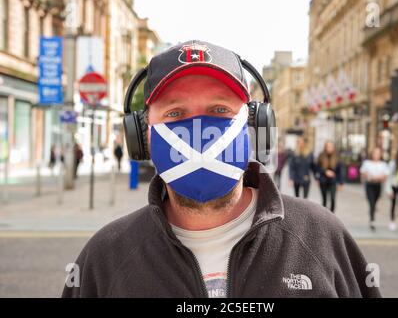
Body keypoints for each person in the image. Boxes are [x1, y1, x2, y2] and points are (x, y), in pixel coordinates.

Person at [62, 40, 380, 298]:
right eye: (175, 113)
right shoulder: (105, 258)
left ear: (256, 127)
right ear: (142, 136)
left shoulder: (322, 238)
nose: (199, 129)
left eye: (219, 109)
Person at [360, 147, 389, 231]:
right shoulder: (367, 163)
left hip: (378, 185)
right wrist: (370, 177)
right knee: (371, 202)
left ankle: (372, 212)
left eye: (378, 153)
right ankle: (372, 220)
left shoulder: (383, 164)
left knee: (375, 201)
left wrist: (378, 178)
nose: (376, 155)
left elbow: (385, 176)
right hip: (369, 185)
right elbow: (363, 173)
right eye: (375, 153)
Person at [314, 141, 344, 213]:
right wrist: (325, 172)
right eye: (327, 146)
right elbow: (317, 168)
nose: (329, 148)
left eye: (330, 147)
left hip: (333, 181)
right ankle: (325, 215)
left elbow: (340, 171)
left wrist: (341, 183)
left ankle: (332, 214)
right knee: (324, 199)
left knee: (333, 198)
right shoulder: (321, 156)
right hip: (323, 180)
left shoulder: (337, 157)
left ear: (333, 147)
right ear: (325, 147)